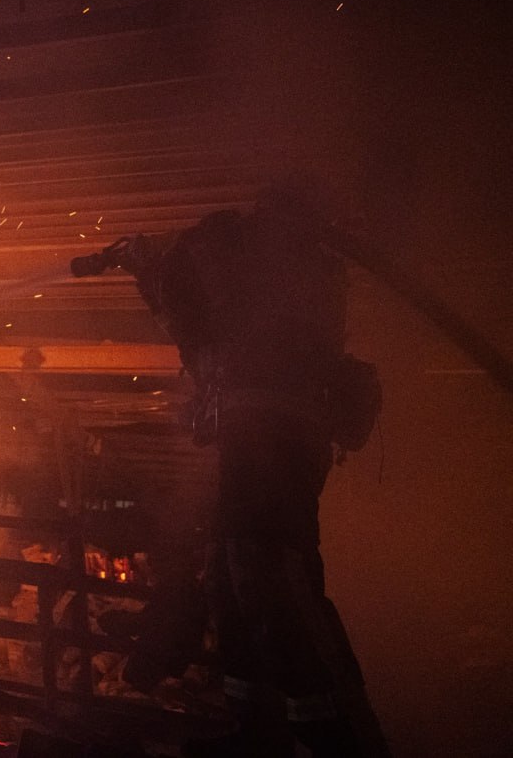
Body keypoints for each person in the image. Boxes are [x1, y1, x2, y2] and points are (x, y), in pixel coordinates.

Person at [84, 186, 391, 756]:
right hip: (257, 441)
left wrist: (151, 265)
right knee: (230, 581)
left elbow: (194, 315)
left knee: (276, 580)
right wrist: (148, 271)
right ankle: (255, 732)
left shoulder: (271, 274)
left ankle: (342, 740)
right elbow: (194, 330)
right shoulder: (266, 284)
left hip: (275, 446)